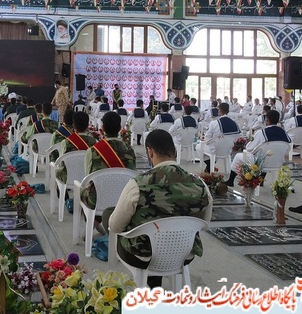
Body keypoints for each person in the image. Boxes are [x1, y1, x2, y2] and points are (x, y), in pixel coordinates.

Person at [105, 129, 212, 288]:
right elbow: (205, 223)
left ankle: (149, 282)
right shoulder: (200, 185)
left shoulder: (138, 184)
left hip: (143, 256)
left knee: (109, 215)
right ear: (174, 151)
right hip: (184, 253)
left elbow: (115, 226)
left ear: (150, 152)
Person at [81, 111, 137, 211]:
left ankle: (92, 219)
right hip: (124, 199)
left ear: (102, 128)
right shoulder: (130, 151)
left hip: (97, 200)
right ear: (120, 128)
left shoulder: (93, 151)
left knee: (80, 190)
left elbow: (88, 179)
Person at [226, 109, 291, 186]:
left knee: (238, 156)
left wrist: (250, 141)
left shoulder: (262, 133)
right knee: (266, 154)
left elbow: (249, 148)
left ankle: (230, 181)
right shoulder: (284, 133)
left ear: (267, 120)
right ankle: (261, 180)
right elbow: (288, 148)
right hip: (278, 162)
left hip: (260, 164)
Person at [55, 111, 98, 184]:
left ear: (73, 125)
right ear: (88, 125)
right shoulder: (95, 143)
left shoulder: (66, 142)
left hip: (68, 178)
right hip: (87, 179)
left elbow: (61, 163)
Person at [198, 102, 241, 173]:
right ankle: (210, 166)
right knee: (216, 145)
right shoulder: (235, 123)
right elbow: (236, 138)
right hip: (228, 149)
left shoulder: (214, 123)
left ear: (219, 111)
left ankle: (210, 166)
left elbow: (207, 137)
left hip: (215, 149)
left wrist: (206, 141)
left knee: (199, 147)